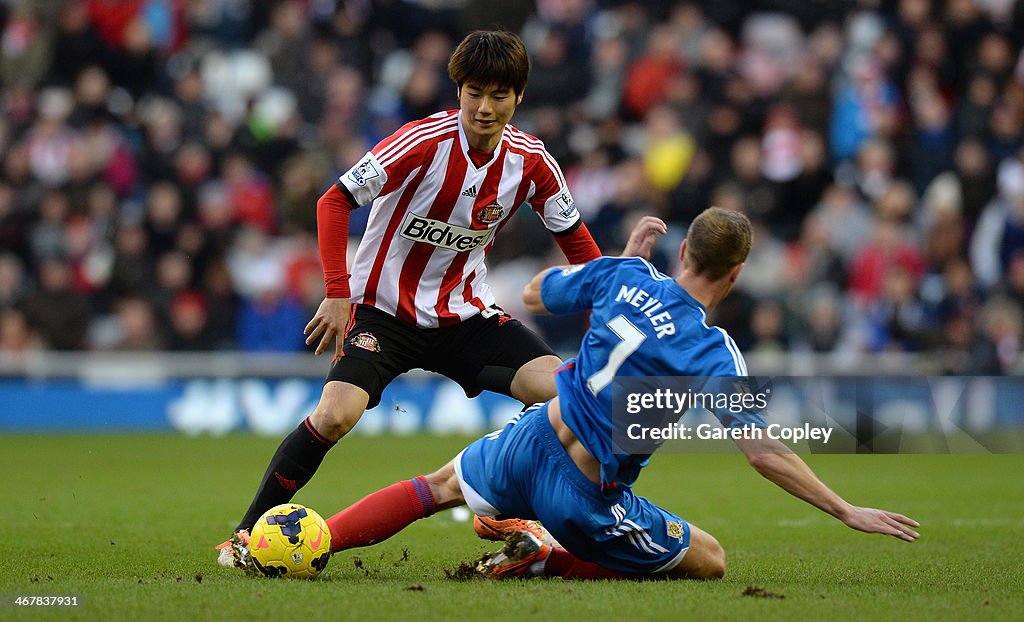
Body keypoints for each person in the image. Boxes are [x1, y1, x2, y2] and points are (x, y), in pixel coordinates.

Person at [316, 207, 919, 580]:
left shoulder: (626, 275)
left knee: (437, 487)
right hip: (580, 495)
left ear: (683, 251)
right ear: (735, 274)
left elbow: (532, 293)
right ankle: (548, 555)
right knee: (711, 559)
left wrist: (615, 267)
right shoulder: (714, 353)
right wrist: (846, 509)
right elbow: (762, 453)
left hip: (532, 436)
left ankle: (312, 542)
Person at [218, 29, 632, 566]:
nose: (485, 108)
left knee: (564, 396)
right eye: (474, 92)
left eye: (499, 95)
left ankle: (500, 505)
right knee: (335, 415)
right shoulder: (421, 142)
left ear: (518, 97)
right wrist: (338, 294)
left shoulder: (531, 162)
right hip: (383, 313)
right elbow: (334, 200)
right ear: (458, 90)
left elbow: (580, 247)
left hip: (464, 315)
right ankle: (245, 535)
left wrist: (617, 312)